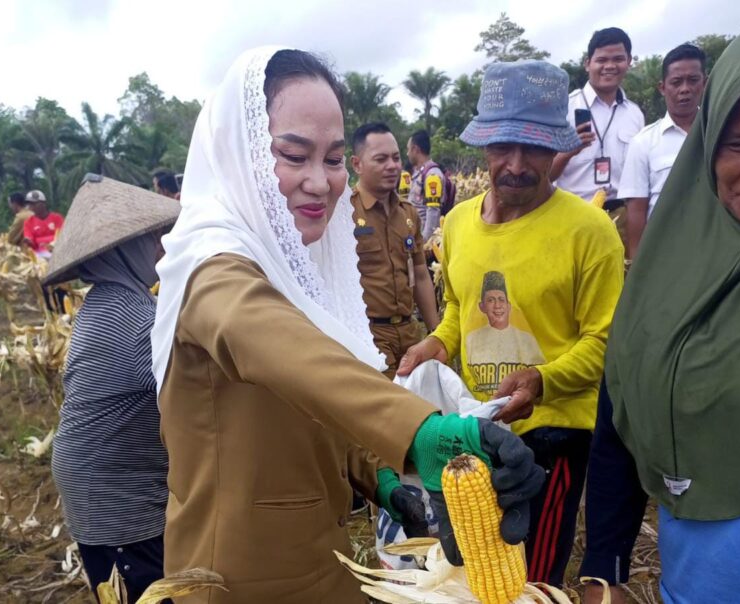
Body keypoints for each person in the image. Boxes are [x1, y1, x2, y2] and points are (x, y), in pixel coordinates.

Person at [150, 48, 544, 604]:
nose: (320, 181)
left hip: (326, 568)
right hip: (237, 580)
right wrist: (421, 432)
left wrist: (379, 474)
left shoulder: (299, 269)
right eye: (293, 155)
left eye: (333, 159)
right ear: (241, 157)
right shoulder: (209, 268)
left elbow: (311, 403)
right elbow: (274, 343)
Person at [398, 60, 624, 587]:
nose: (517, 164)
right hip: (477, 433)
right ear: (483, 146)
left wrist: (542, 380)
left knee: (532, 579)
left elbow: (606, 341)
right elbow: (459, 308)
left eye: (535, 149)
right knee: (477, 573)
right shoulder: (456, 225)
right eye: (503, 148)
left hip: (554, 430)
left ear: (557, 148)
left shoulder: (588, 231)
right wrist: (435, 342)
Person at [603, 23, 740, 603]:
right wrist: (606, 567)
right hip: (707, 575)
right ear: (708, 146)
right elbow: (620, 410)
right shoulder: (665, 276)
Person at [44, 175, 180, 603]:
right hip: (113, 491)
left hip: (99, 475)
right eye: (149, 239)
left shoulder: (112, 299)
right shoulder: (131, 318)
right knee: (143, 590)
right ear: (122, 251)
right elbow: (191, 395)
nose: (159, 246)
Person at [350, 122, 440, 378]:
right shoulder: (345, 213)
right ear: (357, 164)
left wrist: (435, 334)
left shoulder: (408, 213)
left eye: (395, 157)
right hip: (370, 337)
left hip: (409, 332)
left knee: (421, 405)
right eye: (380, 159)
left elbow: (420, 274)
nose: (392, 166)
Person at [620, 44, 707, 260]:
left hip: (716, 248)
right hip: (666, 253)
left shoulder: (722, 132)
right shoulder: (643, 142)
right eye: (676, 82)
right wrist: (637, 266)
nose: (685, 89)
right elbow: (637, 211)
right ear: (662, 87)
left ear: (705, 83)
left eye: (693, 80)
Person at [551, 28, 645, 221]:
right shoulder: (563, 109)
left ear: (629, 62)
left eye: (618, 59)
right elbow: (545, 176)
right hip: (572, 215)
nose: (609, 66)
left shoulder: (635, 114)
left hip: (621, 215)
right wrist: (569, 151)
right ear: (588, 64)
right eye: (601, 60)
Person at [465, 271, 545, 390]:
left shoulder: (527, 340)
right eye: (491, 300)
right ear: (482, 307)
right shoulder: (472, 339)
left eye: (501, 299)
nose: (497, 305)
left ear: (508, 305)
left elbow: (540, 378)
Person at [407, 129, 444, 240]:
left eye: (408, 149)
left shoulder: (432, 175)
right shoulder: (420, 173)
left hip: (424, 240)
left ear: (415, 149)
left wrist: (425, 242)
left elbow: (433, 212)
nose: (407, 153)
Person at [22, 190, 64, 259]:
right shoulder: (28, 222)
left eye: (34, 203)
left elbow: (62, 235)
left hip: (59, 252)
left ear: (44, 203)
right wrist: (28, 242)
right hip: (40, 257)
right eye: (30, 204)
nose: (32, 207)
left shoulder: (57, 218)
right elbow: (31, 241)